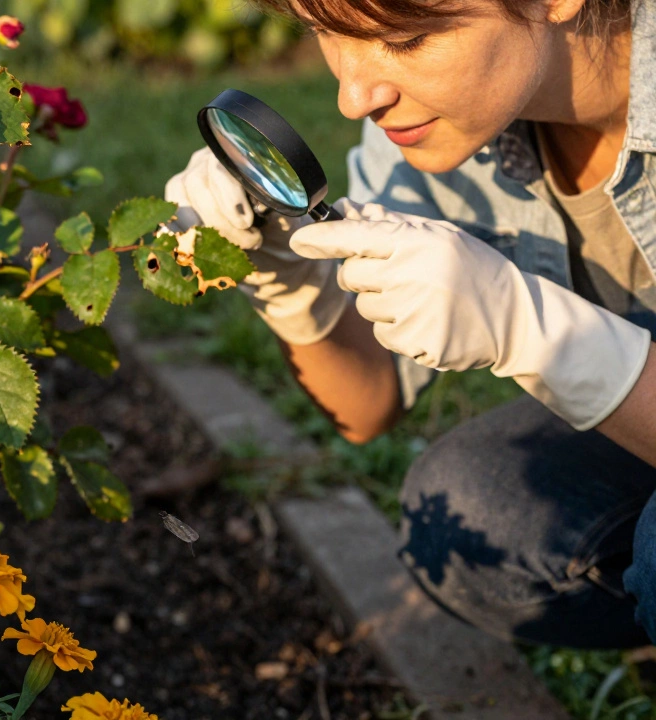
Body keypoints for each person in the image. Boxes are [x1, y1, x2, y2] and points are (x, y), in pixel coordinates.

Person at [165, 0, 656, 648]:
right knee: (473, 515)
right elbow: (369, 401)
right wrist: (287, 279)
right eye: (324, 30)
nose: (354, 96)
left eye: (403, 39)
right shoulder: (442, 122)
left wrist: (527, 332)